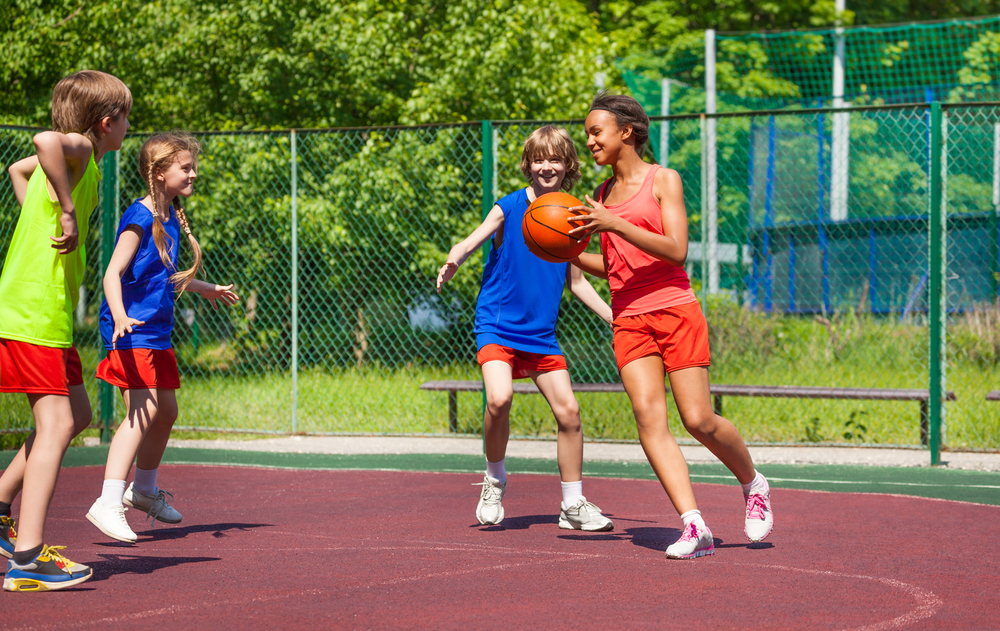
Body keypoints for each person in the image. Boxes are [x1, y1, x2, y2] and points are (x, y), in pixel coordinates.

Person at [568, 93, 774, 559]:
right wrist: (565, 252)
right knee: (648, 420)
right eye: (587, 133)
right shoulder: (600, 196)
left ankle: (753, 482)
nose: (590, 141)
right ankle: (694, 524)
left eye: (596, 131)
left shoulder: (663, 180)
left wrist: (612, 223)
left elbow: (676, 249)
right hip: (629, 317)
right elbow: (618, 265)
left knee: (698, 419)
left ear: (626, 132)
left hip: (675, 308)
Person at [437, 126, 614, 531]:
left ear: (568, 164)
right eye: (538, 159)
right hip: (497, 325)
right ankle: (494, 479)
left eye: (554, 159)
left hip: (540, 334)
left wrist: (611, 316)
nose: (546, 166)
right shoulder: (511, 205)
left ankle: (572, 504)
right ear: (528, 165)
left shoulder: (570, 216)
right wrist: (455, 258)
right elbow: (473, 238)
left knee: (569, 411)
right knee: (499, 399)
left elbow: (578, 282)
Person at [0, 70, 132, 591]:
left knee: (76, 413)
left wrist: (45, 211)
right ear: (106, 123)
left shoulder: (84, 163)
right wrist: (69, 212)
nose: (129, 128)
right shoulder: (77, 150)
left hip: (42, 312)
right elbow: (43, 141)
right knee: (55, 425)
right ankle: (28, 559)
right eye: (126, 119)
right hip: (31, 310)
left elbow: (16, 167)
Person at [84, 133, 238, 543]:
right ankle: (108, 500)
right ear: (158, 173)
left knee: (165, 411)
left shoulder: (170, 215)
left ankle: (144, 492)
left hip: (156, 333)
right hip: (130, 331)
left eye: (193, 166)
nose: (194, 173)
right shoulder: (140, 216)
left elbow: (161, 278)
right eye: (185, 167)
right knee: (143, 411)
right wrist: (119, 316)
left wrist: (205, 288)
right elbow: (112, 273)